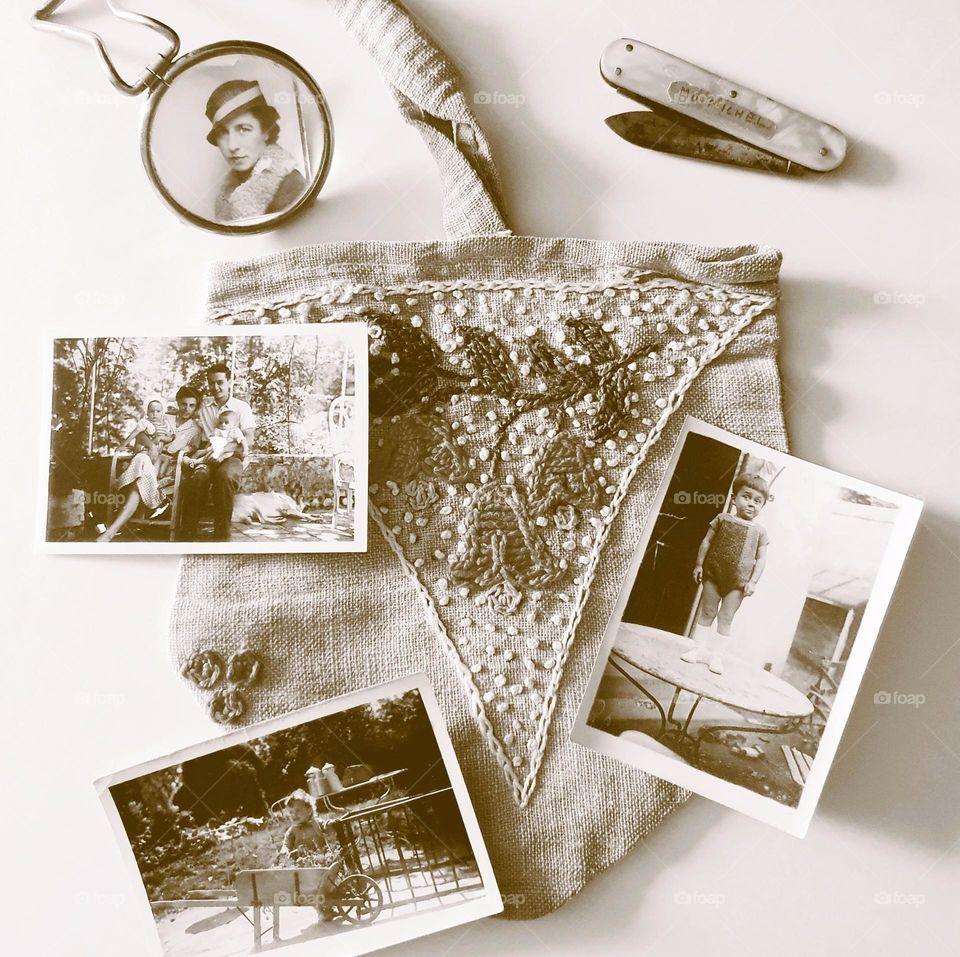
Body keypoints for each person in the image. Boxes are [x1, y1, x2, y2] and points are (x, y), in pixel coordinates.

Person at [680, 473, 771, 675]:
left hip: (738, 582)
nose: (751, 504)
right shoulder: (722, 519)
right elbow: (706, 541)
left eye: (757, 501)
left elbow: (761, 559)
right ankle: (697, 650)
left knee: (726, 617)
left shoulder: (760, 532)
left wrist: (753, 581)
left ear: (762, 505)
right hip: (713, 573)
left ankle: (717, 657)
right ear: (734, 498)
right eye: (746, 497)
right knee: (708, 612)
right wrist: (699, 565)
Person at [97, 388, 203, 542]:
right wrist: (152, 446)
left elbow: (189, 451)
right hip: (148, 457)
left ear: (196, 407)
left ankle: (111, 531)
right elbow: (140, 433)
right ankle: (111, 532)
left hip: (166, 468)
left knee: (142, 463)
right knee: (143, 459)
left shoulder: (195, 430)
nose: (187, 409)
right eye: (183, 404)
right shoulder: (162, 416)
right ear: (178, 403)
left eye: (191, 405)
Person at [205, 79, 307, 223]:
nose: (232, 146)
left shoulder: (292, 186)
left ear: (266, 131)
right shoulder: (227, 193)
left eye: (244, 129)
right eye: (223, 133)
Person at [178, 363, 256, 541]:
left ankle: (221, 535)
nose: (216, 387)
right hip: (207, 453)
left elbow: (249, 439)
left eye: (220, 382)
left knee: (225, 476)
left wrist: (222, 452)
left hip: (231, 455)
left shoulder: (241, 407)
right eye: (211, 383)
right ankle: (188, 532)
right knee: (198, 477)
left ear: (229, 381)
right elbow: (184, 409)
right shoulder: (203, 405)